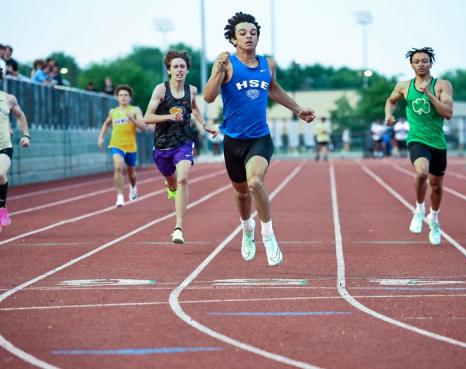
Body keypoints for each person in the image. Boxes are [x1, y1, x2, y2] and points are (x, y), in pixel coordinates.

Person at [204, 12, 315, 266]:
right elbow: (209, 97)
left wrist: (298, 109)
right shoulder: (226, 64)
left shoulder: (268, 64)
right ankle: (247, 229)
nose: (248, 36)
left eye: (252, 33)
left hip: (259, 138)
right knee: (241, 194)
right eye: (242, 33)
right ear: (233, 39)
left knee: (255, 182)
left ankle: (268, 234)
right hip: (233, 140)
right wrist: (217, 72)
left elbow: (273, 88)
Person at [144, 50, 216, 244]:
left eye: (182, 66)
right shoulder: (161, 90)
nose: (179, 69)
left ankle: (178, 227)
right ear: (169, 70)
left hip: (183, 141)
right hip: (162, 145)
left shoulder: (191, 90)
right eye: (175, 66)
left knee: (183, 179)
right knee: (172, 180)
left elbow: (193, 107)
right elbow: (147, 117)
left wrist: (204, 124)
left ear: (187, 69)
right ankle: (170, 184)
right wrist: (169, 116)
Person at [385, 47, 453, 246]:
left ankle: (434, 219)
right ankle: (419, 208)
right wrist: (389, 114)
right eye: (417, 61)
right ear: (411, 65)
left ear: (431, 63)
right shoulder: (404, 86)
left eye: (425, 61)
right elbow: (390, 101)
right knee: (421, 173)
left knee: (437, 186)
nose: (421, 64)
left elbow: (447, 113)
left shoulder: (442, 85)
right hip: (416, 138)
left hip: (437, 142)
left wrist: (430, 96)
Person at [98, 84, 147, 207]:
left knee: (131, 172)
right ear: (116, 97)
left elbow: (143, 128)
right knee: (118, 168)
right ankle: (120, 196)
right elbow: (106, 124)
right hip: (116, 144)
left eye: (126, 95)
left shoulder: (135, 110)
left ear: (130, 97)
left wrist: (133, 120)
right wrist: (101, 137)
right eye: (120, 95)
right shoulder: (113, 112)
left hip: (130, 146)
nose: (123, 98)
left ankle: (133, 186)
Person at [0, 67, 30, 232]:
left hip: (3, 146)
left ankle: (1, 208)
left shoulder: (8, 99)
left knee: (0, 174)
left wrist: (26, 135)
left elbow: (20, 116)